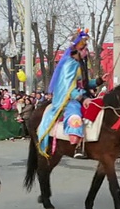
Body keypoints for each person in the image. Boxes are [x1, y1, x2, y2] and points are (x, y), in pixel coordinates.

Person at [36, 29, 108, 159]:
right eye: (85, 48)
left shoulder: (80, 65)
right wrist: (82, 99)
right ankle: (77, 146)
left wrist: (100, 80)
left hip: (83, 96)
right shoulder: (69, 65)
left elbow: (85, 84)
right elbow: (69, 88)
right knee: (76, 115)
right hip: (69, 99)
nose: (87, 51)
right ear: (78, 50)